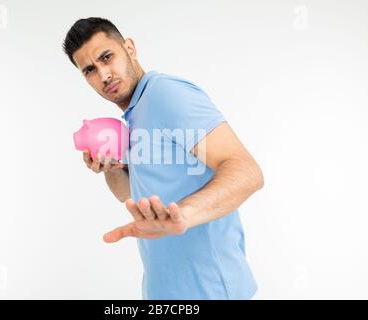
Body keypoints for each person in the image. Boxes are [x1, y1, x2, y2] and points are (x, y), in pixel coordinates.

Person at [62, 17, 264, 300]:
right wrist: (112, 168)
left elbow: (247, 171)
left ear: (129, 48)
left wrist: (184, 214)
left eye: (107, 57)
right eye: (90, 70)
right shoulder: (135, 113)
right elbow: (128, 194)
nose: (104, 74)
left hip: (211, 291)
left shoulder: (166, 94)